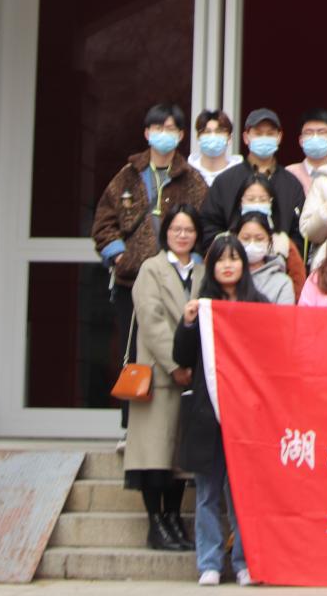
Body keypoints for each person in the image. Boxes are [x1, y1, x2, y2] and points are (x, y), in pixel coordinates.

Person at [91, 102, 207, 427]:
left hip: (178, 281)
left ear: (181, 135)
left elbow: (205, 225)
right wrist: (119, 256)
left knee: (177, 349)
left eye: (170, 129)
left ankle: (178, 426)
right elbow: (103, 222)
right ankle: (130, 427)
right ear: (146, 133)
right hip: (132, 281)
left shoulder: (192, 179)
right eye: (158, 128)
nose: (163, 134)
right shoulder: (127, 176)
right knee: (132, 353)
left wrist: (194, 264)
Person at [173, 234, 267, 586]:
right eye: (221, 260)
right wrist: (187, 323)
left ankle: (245, 562)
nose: (228, 265)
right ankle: (209, 562)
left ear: (244, 264)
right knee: (208, 492)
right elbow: (182, 358)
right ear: (211, 267)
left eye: (234, 258)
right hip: (207, 412)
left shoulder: (259, 305)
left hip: (248, 414)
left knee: (244, 493)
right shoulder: (202, 306)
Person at [124, 204, 203, 552]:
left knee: (178, 459)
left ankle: (173, 519)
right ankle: (155, 524)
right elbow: (151, 320)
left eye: (189, 230)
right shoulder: (151, 269)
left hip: (192, 379)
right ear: (166, 232)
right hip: (159, 376)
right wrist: (176, 366)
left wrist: (193, 367)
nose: (182, 236)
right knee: (153, 457)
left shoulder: (202, 271)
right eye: (176, 229)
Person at [200, 108, 305, 250]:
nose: (264, 138)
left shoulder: (291, 184)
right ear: (246, 137)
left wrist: (281, 249)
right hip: (232, 259)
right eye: (258, 133)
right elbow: (209, 226)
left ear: (279, 137)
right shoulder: (225, 181)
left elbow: (300, 233)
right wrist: (230, 248)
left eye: (270, 134)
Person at [235, 173, 306, 298]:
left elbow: (298, 281)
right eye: (251, 199)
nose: (256, 204)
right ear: (240, 202)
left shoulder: (283, 242)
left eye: (262, 199)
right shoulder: (225, 240)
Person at [232, 210, 294, 305]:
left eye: (259, 239)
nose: (252, 244)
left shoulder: (282, 283)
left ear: (269, 242)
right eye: (246, 238)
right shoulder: (226, 274)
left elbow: (285, 314)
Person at [283, 108, 327, 198]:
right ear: (301, 141)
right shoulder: (288, 174)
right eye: (309, 133)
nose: (315, 137)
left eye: (321, 132)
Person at [188, 109, 242, 187]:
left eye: (219, 131)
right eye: (207, 132)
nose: (213, 136)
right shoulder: (186, 174)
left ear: (229, 138)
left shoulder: (240, 176)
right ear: (198, 138)